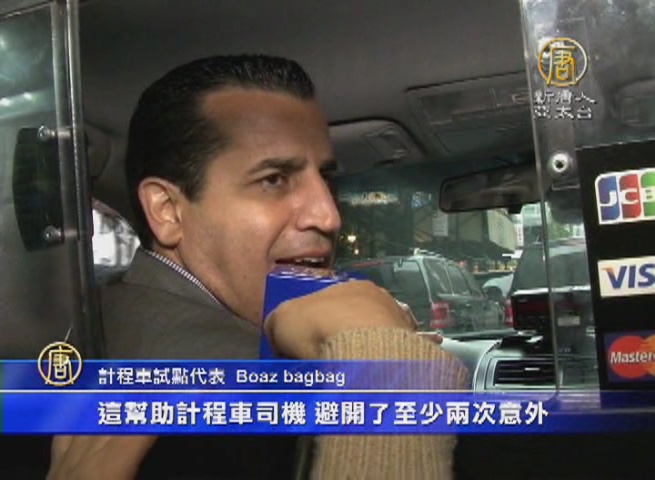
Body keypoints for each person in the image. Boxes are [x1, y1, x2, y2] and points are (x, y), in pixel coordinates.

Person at [47, 55, 469, 479]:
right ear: (167, 211)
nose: (328, 217)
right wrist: (385, 364)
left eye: (326, 179)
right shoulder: (246, 410)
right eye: (273, 180)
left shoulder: (100, 329)